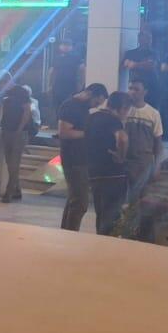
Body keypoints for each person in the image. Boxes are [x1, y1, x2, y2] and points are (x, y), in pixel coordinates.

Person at [58, 84, 108, 232]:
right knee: (80, 203)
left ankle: (66, 232)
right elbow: (64, 132)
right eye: (96, 102)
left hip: (81, 158)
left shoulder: (83, 108)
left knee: (74, 200)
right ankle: (71, 234)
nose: (95, 106)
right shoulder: (71, 106)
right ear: (90, 93)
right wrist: (90, 133)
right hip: (73, 160)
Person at [88, 91, 130, 235]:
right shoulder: (113, 120)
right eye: (127, 110)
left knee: (100, 212)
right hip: (113, 174)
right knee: (112, 215)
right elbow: (122, 138)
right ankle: (109, 243)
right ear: (122, 107)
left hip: (94, 172)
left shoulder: (92, 117)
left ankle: (100, 240)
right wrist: (121, 156)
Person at [124, 78, 164, 214]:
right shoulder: (124, 110)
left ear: (145, 92)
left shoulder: (153, 113)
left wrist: (157, 165)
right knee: (126, 200)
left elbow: (158, 142)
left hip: (143, 162)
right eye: (130, 88)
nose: (132, 92)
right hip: (125, 160)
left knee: (142, 199)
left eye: (136, 89)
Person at [0, 80, 33, 202]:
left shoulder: (21, 92)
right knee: (9, 163)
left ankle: (9, 192)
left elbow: (27, 111)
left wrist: (20, 128)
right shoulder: (5, 94)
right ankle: (17, 190)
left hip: (18, 132)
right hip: (6, 130)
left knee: (14, 163)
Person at [49, 39, 84, 124]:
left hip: (71, 85)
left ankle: (68, 124)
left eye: (68, 45)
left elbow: (82, 70)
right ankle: (59, 124)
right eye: (64, 45)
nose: (65, 47)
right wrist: (50, 85)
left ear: (71, 47)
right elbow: (52, 72)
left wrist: (80, 84)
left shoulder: (76, 57)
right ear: (60, 46)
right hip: (58, 85)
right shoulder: (57, 57)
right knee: (58, 105)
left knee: (69, 105)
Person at [122, 29, 161, 98]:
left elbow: (151, 65)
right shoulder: (130, 53)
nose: (150, 40)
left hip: (151, 86)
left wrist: (134, 64)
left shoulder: (154, 53)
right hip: (135, 86)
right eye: (147, 37)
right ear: (140, 39)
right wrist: (143, 64)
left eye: (150, 38)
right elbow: (123, 66)